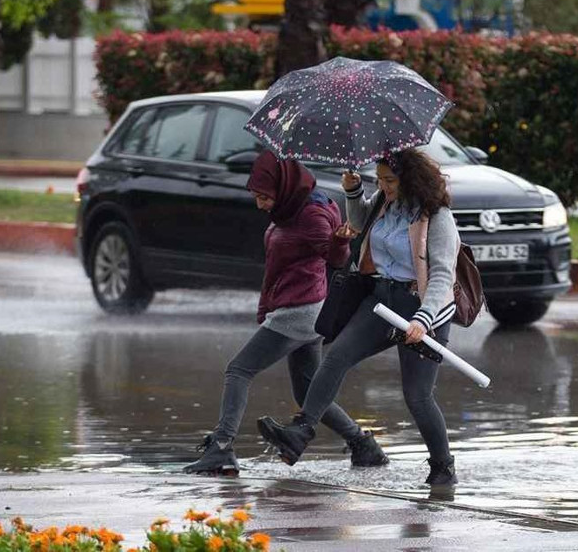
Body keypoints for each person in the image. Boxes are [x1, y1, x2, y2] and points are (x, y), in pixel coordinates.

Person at [256, 148, 461, 486]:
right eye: (379, 180)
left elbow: (441, 275)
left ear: (411, 180)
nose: (383, 186)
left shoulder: (436, 217)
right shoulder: (384, 201)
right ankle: (300, 432)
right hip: (381, 299)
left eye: (390, 180)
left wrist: (424, 319)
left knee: (418, 396)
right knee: (336, 356)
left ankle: (442, 466)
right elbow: (357, 224)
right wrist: (354, 191)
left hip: (422, 308)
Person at [183, 150, 388, 476]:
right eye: (256, 196)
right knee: (307, 392)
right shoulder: (288, 209)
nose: (260, 204)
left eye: (265, 197)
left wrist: (338, 242)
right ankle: (363, 445)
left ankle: (221, 447)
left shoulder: (311, 215)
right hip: (302, 308)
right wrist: (266, 306)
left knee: (239, 370)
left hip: (300, 310)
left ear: (284, 188)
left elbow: (335, 257)